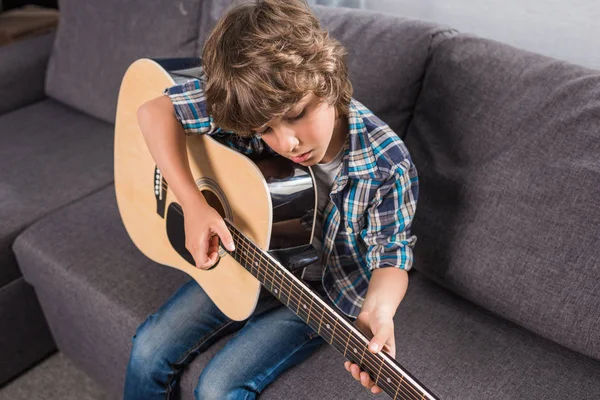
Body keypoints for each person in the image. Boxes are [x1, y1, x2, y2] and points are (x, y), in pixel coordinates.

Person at [123, 0, 419, 398]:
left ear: (327, 78)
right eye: (265, 130)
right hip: (247, 253)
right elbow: (154, 113)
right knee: (148, 350)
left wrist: (378, 312)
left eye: (298, 113)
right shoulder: (248, 104)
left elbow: (392, 255)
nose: (288, 143)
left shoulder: (387, 162)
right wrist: (192, 202)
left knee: (217, 388)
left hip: (321, 292)